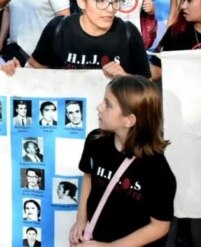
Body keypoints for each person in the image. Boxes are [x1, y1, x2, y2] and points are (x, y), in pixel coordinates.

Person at [69, 76, 176, 247]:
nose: (99, 107)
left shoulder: (157, 170)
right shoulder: (95, 141)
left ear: (129, 120)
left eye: (108, 104)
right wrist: (81, 219)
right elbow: (88, 177)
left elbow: (160, 227)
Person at [1, 0, 150, 78]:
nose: (110, 9)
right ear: (81, 1)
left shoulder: (128, 33)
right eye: (100, 0)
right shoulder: (59, 28)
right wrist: (18, 72)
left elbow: (146, 87)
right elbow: (34, 70)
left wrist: (125, 78)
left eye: (116, 0)